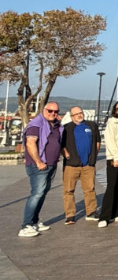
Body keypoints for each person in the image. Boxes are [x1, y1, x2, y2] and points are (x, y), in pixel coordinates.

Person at [19, 102, 63, 237]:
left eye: (56, 111)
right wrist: (38, 161)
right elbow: (30, 143)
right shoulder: (36, 125)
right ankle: (26, 225)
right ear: (44, 110)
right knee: (37, 193)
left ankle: (34, 222)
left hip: (51, 164)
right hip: (39, 165)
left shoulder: (55, 125)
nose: (53, 114)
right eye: (50, 111)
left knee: (42, 193)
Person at [61, 106, 100, 225]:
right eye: (76, 114)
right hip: (71, 165)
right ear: (72, 116)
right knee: (68, 190)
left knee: (90, 189)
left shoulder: (91, 125)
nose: (79, 115)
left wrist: (93, 156)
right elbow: (60, 144)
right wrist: (67, 155)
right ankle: (70, 215)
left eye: (81, 113)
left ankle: (91, 212)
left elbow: (97, 141)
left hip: (88, 165)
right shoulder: (66, 128)